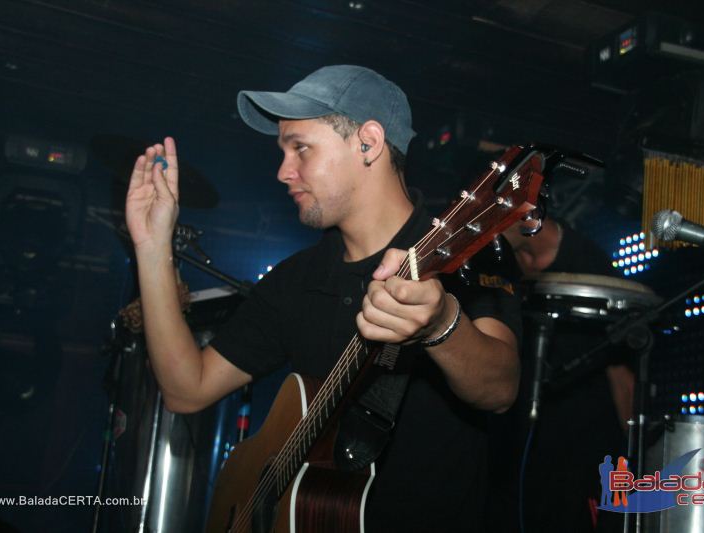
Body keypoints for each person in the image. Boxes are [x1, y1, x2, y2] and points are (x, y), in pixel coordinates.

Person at [125, 65, 522, 532]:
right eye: (283, 151)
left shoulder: (466, 250)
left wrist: (441, 325)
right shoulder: (297, 279)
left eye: (301, 149)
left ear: (368, 143)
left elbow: (500, 390)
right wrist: (152, 248)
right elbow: (185, 390)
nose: (282, 172)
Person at [493, 217, 634, 532]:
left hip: (585, 455)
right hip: (521, 449)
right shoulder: (501, 264)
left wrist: (631, 464)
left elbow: (623, 377)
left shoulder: (591, 263)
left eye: (497, 217)